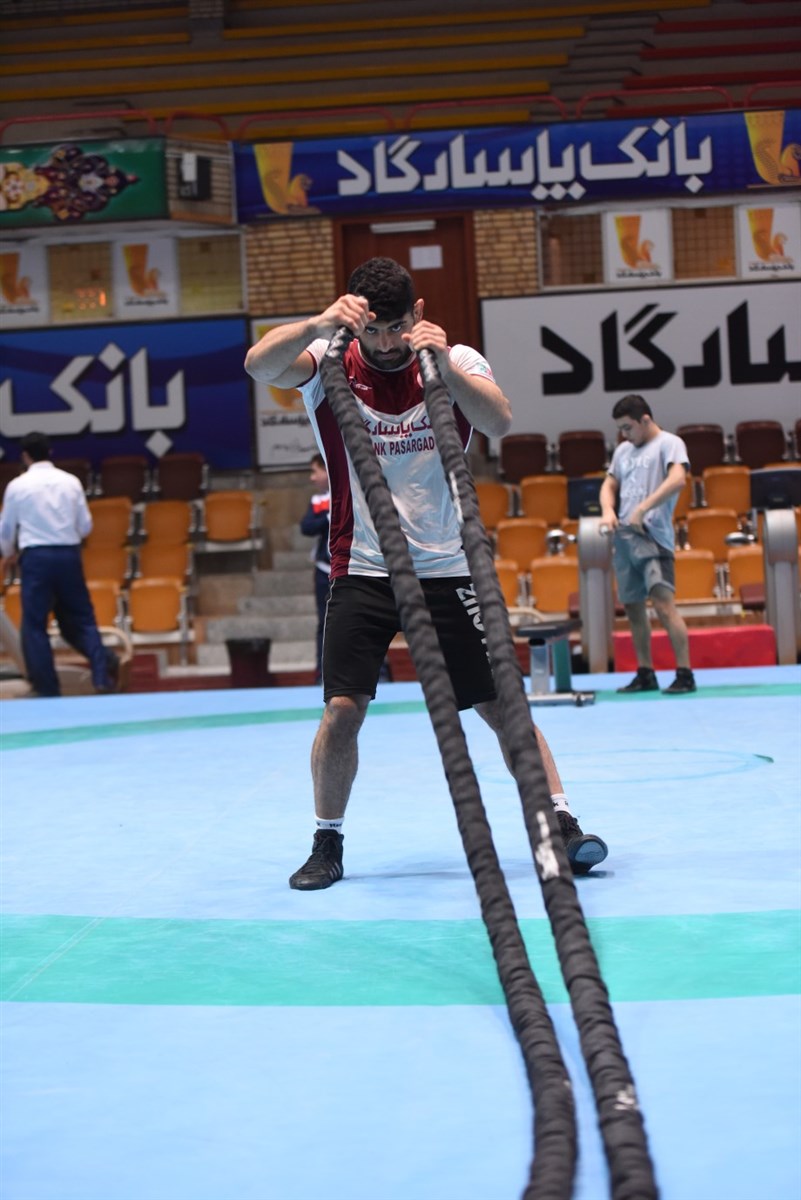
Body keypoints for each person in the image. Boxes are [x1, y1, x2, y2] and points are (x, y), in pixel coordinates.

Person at [245, 256, 608, 889]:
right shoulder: (329, 363)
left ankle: (562, 823)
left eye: (396, 328)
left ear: (417, 316)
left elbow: (497, 421)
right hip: (362, 568)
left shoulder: (456, 360)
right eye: (372, 330)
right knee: (342, 710)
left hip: (448, 569)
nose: (385, 343)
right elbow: (259, 365)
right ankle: (326, 843)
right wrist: (320, 323)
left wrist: (439, 363)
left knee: (501, 705)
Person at [0, 432, 119, 697]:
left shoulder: (18, 486)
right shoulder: (70, 482)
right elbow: (85, 526)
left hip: (36, 558)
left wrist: (8, 553)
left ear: (25, 456)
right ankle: (102, 673)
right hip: (68, 556)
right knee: (82, 620)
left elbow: (6, 530)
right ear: (50, 452)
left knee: (35, 626)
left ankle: (47, 688)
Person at [599, 394, 696, 695]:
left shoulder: (670, 443)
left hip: (653, 537)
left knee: (664, 605)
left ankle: (685, 673)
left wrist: (643, 507)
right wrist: (607, 510)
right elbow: (609, 484)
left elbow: (678, 479)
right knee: (633, 609)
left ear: (645, 420)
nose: (624, 434)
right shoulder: (623, 451)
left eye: (628, 427)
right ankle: (645, 673)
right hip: (625, 537)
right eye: (620, 429)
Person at [299, 452, 331, 683]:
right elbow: (306, 527)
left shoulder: (355, 494)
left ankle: (380, 673)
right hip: (324, 570)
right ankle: (322, 672)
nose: (312, 477)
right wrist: (328, 517)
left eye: (315, 471)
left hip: (354, 568)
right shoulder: (318, 501)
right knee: (325, 622)